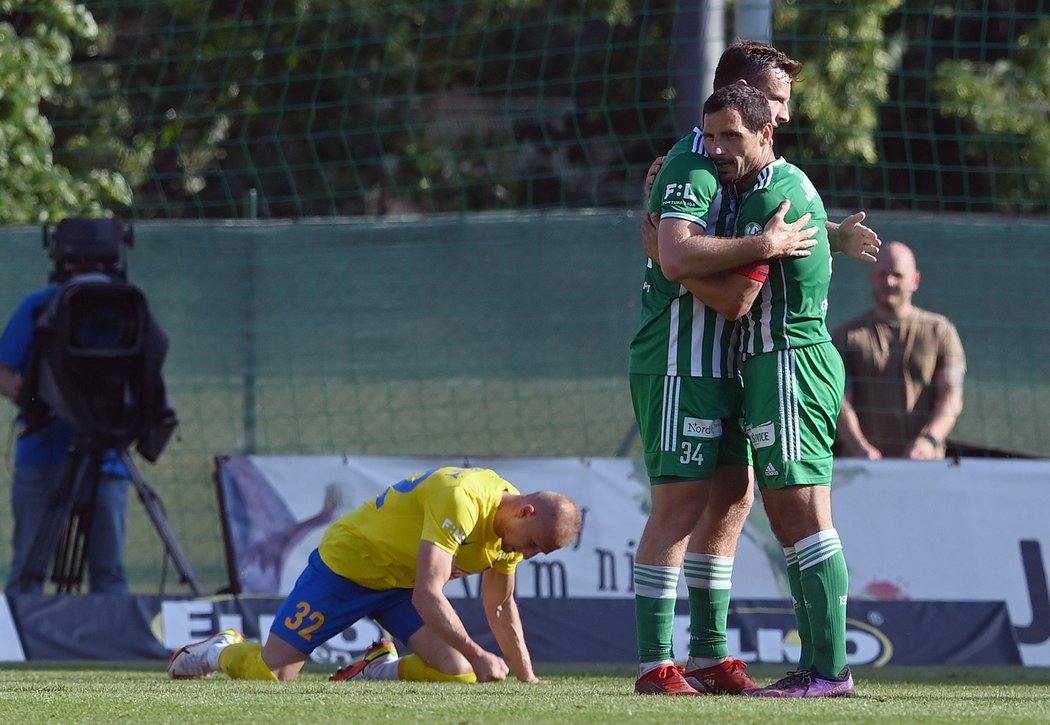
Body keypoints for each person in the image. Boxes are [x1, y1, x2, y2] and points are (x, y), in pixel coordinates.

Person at [629, 40, 878, 697]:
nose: (785, 116)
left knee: (767, 508)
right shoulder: (700, 164)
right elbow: (693, 261)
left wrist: (812, 234)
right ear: (739, 98)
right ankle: (662, 662)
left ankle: (817, 668)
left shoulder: (767, 181)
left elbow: (732, 281)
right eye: (776, 101)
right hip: (689, 360)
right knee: (693, 504)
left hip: (772, 361)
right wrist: (668, 252)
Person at [681, 83, 853, 697]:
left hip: (788, 361)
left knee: (802, 512)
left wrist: (666, 253)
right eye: (711, 135)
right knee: (787, 517)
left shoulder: (772, 197)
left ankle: (831, 670)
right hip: (771, 364)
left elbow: (737, 300)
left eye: (733, 136)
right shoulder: (755, 187)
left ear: (765, 134)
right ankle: (819, 667)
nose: (718, 149)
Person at [167, 466, 582, 684]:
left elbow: (502, 603)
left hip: (397, 586)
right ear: (525, 511)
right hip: (346, 570)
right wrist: (481, 653)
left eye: (535, 553)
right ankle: (219, 650)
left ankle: (375, 668)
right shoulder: (463, 499)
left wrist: (526, 675)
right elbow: (428, 594)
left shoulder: (510, 533)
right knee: (271, 675)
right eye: (532, 545)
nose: (525, 554)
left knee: (458, 673)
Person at [0, 260, 132, 596]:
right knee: (29, 566)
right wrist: (40, 406)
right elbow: (4, 370)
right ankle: (18, 641)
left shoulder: (129, 304)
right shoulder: (41, 306)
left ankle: (111, 640)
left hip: (105, 455)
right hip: (46, 451)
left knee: (108, 569)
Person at [833, 241, 966, 459]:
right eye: (881, 274)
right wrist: (859, 446)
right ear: (871, 278)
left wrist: (929, 441)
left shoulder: (940, 331)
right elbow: (838, 400)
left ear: (915, 280)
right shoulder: (847, 335)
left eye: (897, 274)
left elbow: (952, 394)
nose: (889, 281)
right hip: (862, 467)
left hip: (925, 466)